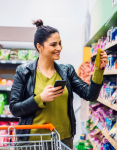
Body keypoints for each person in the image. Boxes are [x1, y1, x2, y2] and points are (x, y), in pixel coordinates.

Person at [9, 19, 108, 149]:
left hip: (62, 140)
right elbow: (14, 108)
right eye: (53, 44)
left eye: (60, 43)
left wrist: (98, 70)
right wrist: (40, 99)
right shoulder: (24, 72)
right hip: (32, 141)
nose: (59, 48)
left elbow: (90, 95)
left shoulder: (67, 71)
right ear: (40, 47)